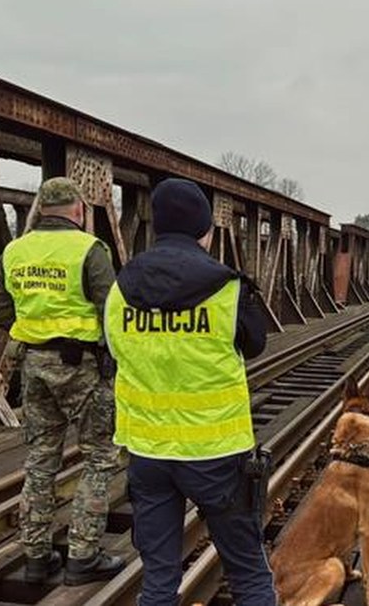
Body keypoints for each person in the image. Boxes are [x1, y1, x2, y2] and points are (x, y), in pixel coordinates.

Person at [104, 178, 276, 606]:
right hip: (216, 453)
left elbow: (112, 354)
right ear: (207, 231)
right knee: (249, 573)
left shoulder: (120, 290)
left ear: (157, 227)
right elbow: (255, 343)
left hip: (149, 452)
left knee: (159, 578)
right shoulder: (228, 288)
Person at [0, 176, 126, 585]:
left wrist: (37, 328)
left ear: (41, 210)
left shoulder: (15, 251)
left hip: (33, 366)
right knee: (100, 456)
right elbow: (112, 311)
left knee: (40, 461)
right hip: (81, 366)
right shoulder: (89, 249)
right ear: (79, 211)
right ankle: (83, 556)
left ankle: (36, 556)